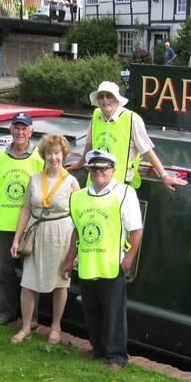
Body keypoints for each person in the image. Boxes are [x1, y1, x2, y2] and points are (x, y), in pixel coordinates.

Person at [62, 150, 143, 370]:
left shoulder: (125, 193)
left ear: (113, 171)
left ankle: (116, 356)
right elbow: (77, 231)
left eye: (104, 168)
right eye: (95, 169)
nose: (99, 173)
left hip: (112, 264)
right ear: (89, 171)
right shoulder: (78, 197)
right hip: (88, 263)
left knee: (113, 313)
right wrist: (70, 259)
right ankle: (98, 348)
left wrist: (128, 259)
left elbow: (136, 230)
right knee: (91, 309)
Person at [9, 134, 79, 344]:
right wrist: (16, 239)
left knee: (60, 283)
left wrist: (75, 250)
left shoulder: (71, 182)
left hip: (62, 235)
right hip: (36, 233)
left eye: (57, 153)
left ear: (63, 155)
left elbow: (78, 216)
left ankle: (56, 327)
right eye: (49, 153)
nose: (53, 157)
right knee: (28, 283)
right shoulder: (35, 179)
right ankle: (26, 327)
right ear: (44, 155)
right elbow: (26, 210)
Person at [69, 81, 187, 192]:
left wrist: (164, 176)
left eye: (109, 96)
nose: (105, 100)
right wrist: (79, 163)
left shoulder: (132, 119)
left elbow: (147, 150)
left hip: (119, 187)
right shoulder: (96, 116)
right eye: (101, 96)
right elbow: (90, 144)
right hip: (94, 183)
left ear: (116, 99)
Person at [0, 112, 44, 326]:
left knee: (31, 274)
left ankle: (32, 317)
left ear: (31, 131)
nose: (20, 132)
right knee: (5, 271)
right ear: (10, 130)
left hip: (31, 226)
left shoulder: (40, 157)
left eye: (24, 128)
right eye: (16, 127)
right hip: (4, 224)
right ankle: (6, 311)